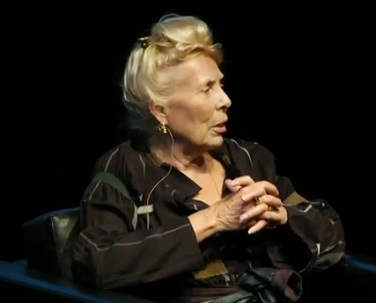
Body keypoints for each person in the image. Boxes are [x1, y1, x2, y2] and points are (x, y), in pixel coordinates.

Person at [71, 13, 346, 303]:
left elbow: (331, 238)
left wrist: (285, 218)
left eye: (221, 84)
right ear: (160, 110)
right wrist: (213, 219)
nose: (225, 100)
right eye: (207, 89)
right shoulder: (124, 169)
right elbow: (97, 262)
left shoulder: (246, 158)